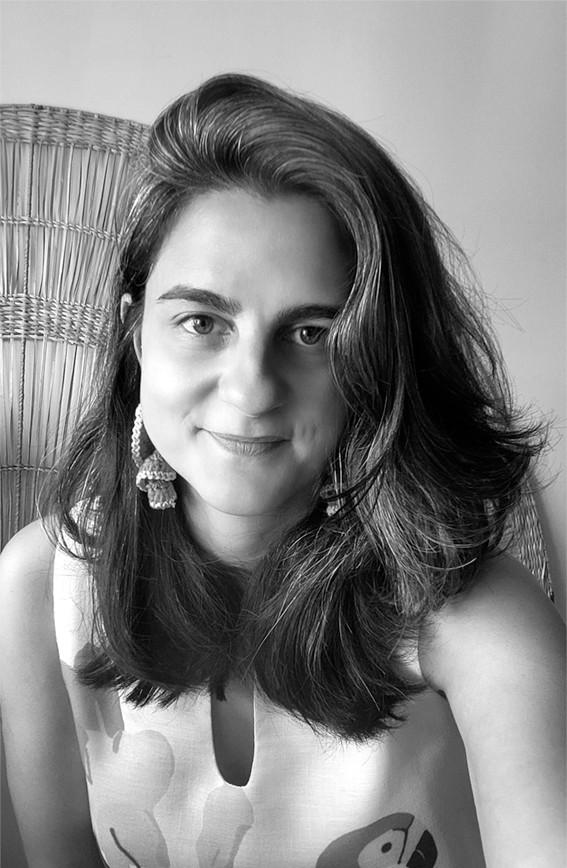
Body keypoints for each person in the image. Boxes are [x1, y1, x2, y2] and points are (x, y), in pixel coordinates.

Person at [0, 73, 564, 868]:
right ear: (134, 337)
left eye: (310, 333)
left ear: (377, 357)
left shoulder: (477, 620)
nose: (250, 390)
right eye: (201, 320)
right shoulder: (39, 588)